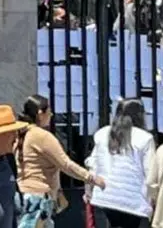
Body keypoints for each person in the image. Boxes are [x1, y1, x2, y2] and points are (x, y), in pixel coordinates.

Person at [17, 95, 102, 228]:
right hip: (38, 197)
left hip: (26, 195)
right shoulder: (41, 136)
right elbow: (65, 164)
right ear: (40, 113)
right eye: (49, 111)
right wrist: (90, 177)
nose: (51, 114)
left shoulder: (21, 134)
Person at [85, 98, 156, 228]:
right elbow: (150, 171)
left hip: (105, 195)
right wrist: (154, 197)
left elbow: (93, 164)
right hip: (133, 199)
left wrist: (88, 190)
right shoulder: (144, 138)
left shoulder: (102, 133)